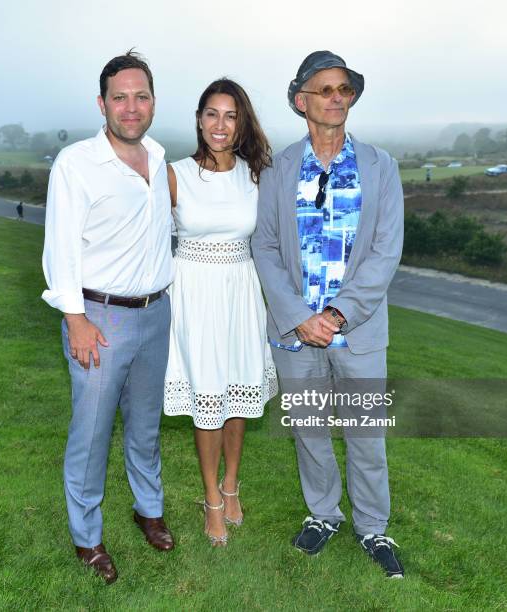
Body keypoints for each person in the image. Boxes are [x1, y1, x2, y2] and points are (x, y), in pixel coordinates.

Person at [251, 51, 405, 578]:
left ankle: (373, 527)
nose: (337, 97)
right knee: (310, 430)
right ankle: (323, 514)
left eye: (344, 89)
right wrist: (299, 316)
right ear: (302, 102)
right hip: (296, 333)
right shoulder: (276, 168)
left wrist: (337, 315)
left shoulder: (381, 166)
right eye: (326, 90)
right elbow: (265, 247)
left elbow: (386, 251)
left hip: (357, 330)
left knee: (366, 434)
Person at [41, 51, 175, 585]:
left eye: (141, 96)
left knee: (145, 426)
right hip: (100, 317)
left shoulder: (161, 156)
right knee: (92, 433)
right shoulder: (75, 164)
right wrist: (75, 319)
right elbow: (60, 250)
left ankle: (148, 509)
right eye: (119, 97)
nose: (131, 106)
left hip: (156, 313)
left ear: (153, 102)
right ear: (102, 103)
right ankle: (87, 538)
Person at [163, 79, 277, 546]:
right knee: (208, 397)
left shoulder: (256, 174)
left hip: (241, 290)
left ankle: (232, 485)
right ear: (198, 118)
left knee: (239, 390)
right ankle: (211, 498)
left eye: (230, 116)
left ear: (241, 122)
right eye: (212, 113)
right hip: (193, 290)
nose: (220, 125)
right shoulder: (174, 174)